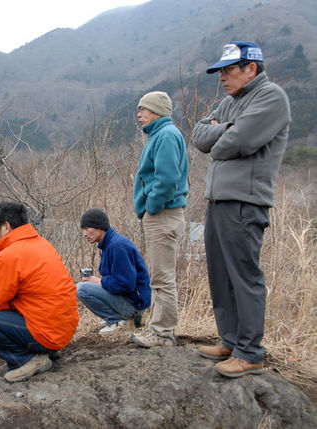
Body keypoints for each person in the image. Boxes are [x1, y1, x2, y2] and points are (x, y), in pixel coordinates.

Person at [191, 41, 291, 377]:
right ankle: (231, 341)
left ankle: (250, 352)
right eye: (220, 71)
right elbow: (199, 135)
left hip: (245, 202)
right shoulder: (230, 102)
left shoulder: (271, 97)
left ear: (251, 68)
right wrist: (225, 129)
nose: (222, 77)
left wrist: (224, 134)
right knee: (220, 275)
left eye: (229, 70)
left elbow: (239, 142)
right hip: (218, 200)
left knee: (244, 277)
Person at [0, 201, 79, 383]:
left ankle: (26, 360)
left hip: (46, 333)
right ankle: (48, 351)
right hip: (64, 330)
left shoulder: (10, 254)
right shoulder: (42, 244)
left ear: (6, 226)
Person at [130, 91, 189, 348]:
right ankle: (158, 329)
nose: (139, 115)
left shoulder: (165, 135)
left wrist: (152, 207)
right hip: (161, 215)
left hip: (163, 215)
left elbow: (166, 180)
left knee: (162, 277)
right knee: (159, 275)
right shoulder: (162, 135)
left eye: (143, 110)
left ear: (156, 111)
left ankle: (163, 333)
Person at [76, 208, 151, 334]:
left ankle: (118, 319)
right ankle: (115, 317)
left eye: (87, 228)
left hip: (134, 306)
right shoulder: (109, 244)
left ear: (99, 227)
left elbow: (125, 284)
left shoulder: (117, 246)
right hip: (128, 301)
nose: (84, 233)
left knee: (81, 289)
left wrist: (99, 281)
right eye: (83, 229)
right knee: (84, 287)